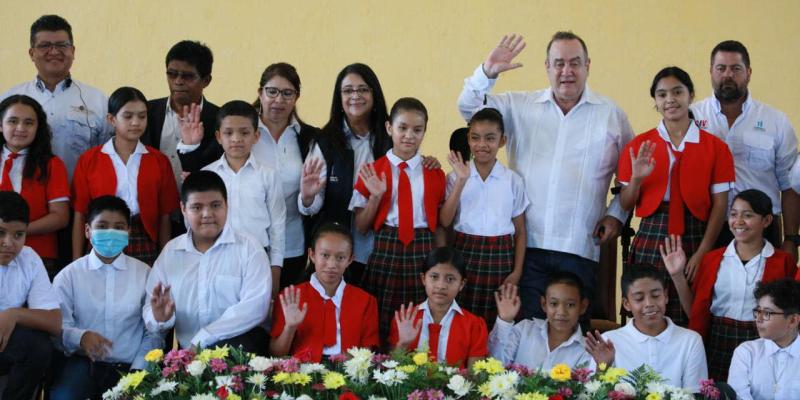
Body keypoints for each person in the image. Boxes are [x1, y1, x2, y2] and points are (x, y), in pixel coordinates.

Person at [457, 32, 634, 325]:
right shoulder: (518, 106)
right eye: (559, 63)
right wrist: (487, 72)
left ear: (588, 66)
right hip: (526, 249)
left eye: (575, 63)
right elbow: (467, 109)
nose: (567, 71)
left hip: (580, 246)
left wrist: (616, 215)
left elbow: (630, 178)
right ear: (547, 67)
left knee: (574, 341)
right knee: (524, 333)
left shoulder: (611, 115)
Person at [618, 66, 734, 326]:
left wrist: (704, 249)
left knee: (694, 309)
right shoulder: (638, 146)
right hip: (652, 233)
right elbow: (625, 204)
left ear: (691, 95)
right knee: (648, 306)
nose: (670, 100)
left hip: (697, 233)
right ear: (656, 103)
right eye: (661, 95)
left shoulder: (716, 148)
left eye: (677, 92)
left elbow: (720, 206)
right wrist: (637, 178)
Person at [664, 190, 796, 381]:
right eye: (733, 214)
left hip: (762, 342)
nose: (738, 221)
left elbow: (788, 314)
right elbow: (695, 311)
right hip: (717, 341)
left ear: (767, 220)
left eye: (748, 215)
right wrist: (677, 275)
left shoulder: (783, 261)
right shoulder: (712, 259)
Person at [691, 40, 800, 263]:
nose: (728, 75)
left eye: (736, 68)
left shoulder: (775, 121)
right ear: (710, 72)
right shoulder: (690, 117)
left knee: (764, 296)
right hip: (703, 229)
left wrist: (791, 238)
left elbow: (790, 185)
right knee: (706, 296)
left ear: (748, 73)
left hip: (761, 227)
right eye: (721, 68)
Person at [350, 98, 446, 342]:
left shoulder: (434, 172)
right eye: (402, 128)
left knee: (420, 314)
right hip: (386, 248)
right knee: (382, 315)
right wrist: (376, 196)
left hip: (423, 247)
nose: (409, 136)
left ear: (425, 131)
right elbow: (360, 227)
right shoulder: (372, 170)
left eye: (417, 130)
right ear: (389, 128)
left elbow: (443, 222)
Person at [143, 171, 270, 353]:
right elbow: (150, 307)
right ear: (183, 209)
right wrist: (160, 318)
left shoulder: (249, 248)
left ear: (227, 205)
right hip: (189, 359)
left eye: (215, 205)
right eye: (196, 207)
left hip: (241, 353)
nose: (207, 214)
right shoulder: (171, 253)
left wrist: (205, 338)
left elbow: (256, 307)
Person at [49, 196, 161, 399]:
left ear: (128, 232)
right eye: (102, 225)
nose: (111, 233)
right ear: (87, 231)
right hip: (82, 364)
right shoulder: (68, 276)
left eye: (119, 227)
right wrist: (80, 337)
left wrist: (138, 373)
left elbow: (152, 333)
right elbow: (56, 328)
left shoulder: (145, 273)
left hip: (130, 366)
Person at [298, 63, 393, 283]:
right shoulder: (325, 141)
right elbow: (311, 206)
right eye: (348, 90)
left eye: (363, 89)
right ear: (338, 98)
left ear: (374, 94)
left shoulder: (391, 139)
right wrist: (308, 196)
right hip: (337, 255)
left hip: (381, 249)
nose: (355, 96)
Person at [440, 107, 528, 329]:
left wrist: (516, 271)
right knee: (461, 319)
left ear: (502, 141)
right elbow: (445, 221)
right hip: (464, 252)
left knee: (497, 321)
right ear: (468, 140)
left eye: (490, 138)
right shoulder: (455, 176)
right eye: (476, 138)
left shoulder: (512, 181)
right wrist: (461, 181)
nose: (482, 145)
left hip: (500, 258)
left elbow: (520, 232)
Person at [72, 87, 179, 266]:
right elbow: (80, 213)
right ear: (111, 119)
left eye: (142, 116)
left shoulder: (159, 160)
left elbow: (164, 216)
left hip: (143, 238)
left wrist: (164, 259)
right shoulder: (90, 160)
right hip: (102, 236)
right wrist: (76, 261)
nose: (136, 122)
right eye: (128, 116)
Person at [1, 15, 110, 181]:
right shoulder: (9, 100)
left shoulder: (98, 101)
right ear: (32, 53)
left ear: (73, 51)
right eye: (45, 45)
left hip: (81, 202)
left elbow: (108, 157)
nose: (53, 51)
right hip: (21, 201)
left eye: (61, 45)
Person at [202, 100, 286, 297]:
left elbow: (277, 227)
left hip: (258, 258)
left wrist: (275, 271)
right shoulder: (208, 175)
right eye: (228, 133)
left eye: (244, 132)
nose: (236, 139)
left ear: (256, 136)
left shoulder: (268, 175)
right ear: (218, 136)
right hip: (216, 258)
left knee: (257, 319)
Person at [585, 266, 707, 392]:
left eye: (655, 295)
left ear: (665, 296)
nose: (649, 303)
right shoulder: (609, 341)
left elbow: (695, 394)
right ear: (626, 304)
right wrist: (602, 367)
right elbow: (592, 393)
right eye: (639, 298)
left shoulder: (691, 341)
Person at [270, 222, 379, 361]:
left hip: (348, 373)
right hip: (302, 375)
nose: (332, 265)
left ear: (351, 259)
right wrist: (290, 328)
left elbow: (367, 353)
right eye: (325, 255)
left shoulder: (366, 301)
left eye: (340, 257)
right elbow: (276, 354)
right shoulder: (290, 297)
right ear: (312, 254)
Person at [251, 63, 318, 287]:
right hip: (250, 241)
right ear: (260, 93)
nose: (279, 100)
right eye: (272, 91)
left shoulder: (309, 138)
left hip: (293, 243)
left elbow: (314, 198)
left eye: (287, 93)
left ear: (296, 97)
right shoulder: (243, 131)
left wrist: (308, 198)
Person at [0, 191, 61, 400]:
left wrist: (14, 314)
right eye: (0, 232)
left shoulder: (29, 258)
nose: (9, 242)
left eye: (18, 235)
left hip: (6, 343)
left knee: (38, 346)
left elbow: (54, 322)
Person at [0, 95, 69, 279]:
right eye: (12, 121)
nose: (21, 128)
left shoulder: (52, 164)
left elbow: (60, 217)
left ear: (38, 128)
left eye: (29, 122)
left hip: (38, 255)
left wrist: (15, 232)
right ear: (0, 125)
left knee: (36, 307)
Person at [142, 40, 222, 192]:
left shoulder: (219, 120)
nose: (178, 81)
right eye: (172, 74)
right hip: (155, 207)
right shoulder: (146, 112)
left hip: (200, 208)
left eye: (188, 76)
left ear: (206, 81)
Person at [389, 247, 488, 368]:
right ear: (423, 278)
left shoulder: (474, 325)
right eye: (434, 277)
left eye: (450, 279)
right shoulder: (405, 319)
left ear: (461, 284)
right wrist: (403, 344)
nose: (441, 286)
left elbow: (475, 377)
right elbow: (391, 369)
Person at [489, 271, 593, 371]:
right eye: (554, 304)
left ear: (583, 306)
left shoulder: (587, 350)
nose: (561, 312)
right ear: (544, 304)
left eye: (570, 305)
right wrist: (505, 321)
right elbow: (493, 365)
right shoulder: (524, 330)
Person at [728, 279, 800, 399]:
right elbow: (738, 396)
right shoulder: (746, 352)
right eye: (758, 311)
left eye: (767, 313)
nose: (758, 319)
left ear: (793, 320)